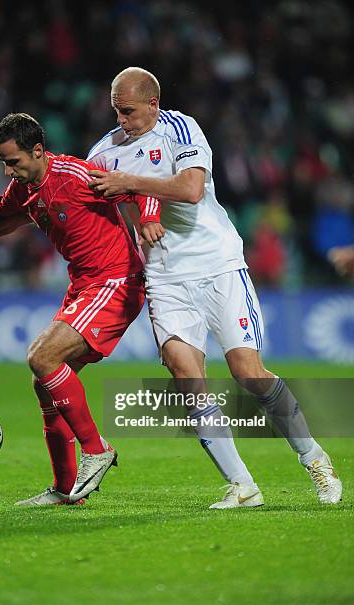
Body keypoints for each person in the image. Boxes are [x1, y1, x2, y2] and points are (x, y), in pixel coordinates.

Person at [87, 67, 342, 507]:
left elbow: (189, 189)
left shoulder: (181, 128)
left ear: (152, 104)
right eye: (116, 111)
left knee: (249, 373)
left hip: (218, 264)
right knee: (187, 378)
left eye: (128, 111)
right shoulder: (104, 152)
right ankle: (243, 486)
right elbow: (82, 198)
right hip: (165, 277)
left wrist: (129, 184)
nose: (122, 120)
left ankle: (314, 458)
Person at [0, 112, 163, 506]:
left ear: (38, 151)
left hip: (116, 281)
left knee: (42, 356)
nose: (7, 170)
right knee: (44, 383)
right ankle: (67, 490)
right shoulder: (24, 188)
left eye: (13, 161)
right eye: (2, 161)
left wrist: (150, 218)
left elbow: (137, 188)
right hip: (84, 286)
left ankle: (96, 449)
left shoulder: (75, 175)